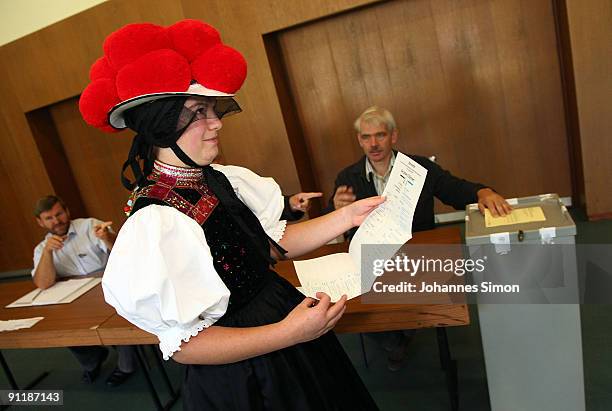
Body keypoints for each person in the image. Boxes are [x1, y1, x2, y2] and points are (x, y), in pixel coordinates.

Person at [79, 20, 383, 410]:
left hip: (285, 327)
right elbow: (186, 347)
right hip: (246, 370)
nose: (217, 122)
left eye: (213, 110)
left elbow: (270, 245)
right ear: (161, 125)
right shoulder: (155, 222)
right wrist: (287, 333)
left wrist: (349, 217)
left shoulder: (221, 180)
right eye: (199, 112)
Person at [323, 106, 512, 370]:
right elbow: (329, 222)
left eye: (380, 135)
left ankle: (401, 332)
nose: (374, 144)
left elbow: (454, 189)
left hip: (416, 251)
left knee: (414, 291)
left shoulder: (419, 167)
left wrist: (483, 192)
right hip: (369, 256)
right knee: (346, 295)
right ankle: (395, 338)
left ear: (394, 136)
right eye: (366, 137)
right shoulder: (347, 177)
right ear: (359, 140)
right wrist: (334, 208)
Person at [32, 195, 136, 386]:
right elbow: (43, 284)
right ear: (40, 222)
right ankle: (92, 359)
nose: (56, 221)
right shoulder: (42, 248)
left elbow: (124, 252)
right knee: (60, 322)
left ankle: (126, 365)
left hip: (107, 285)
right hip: (75, 297)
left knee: (120, 309)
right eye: (49, 218)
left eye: (59, 214)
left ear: (67, 211)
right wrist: (47, 254)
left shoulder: (90, 226)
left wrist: (107, 237)